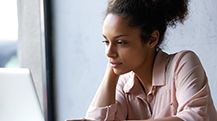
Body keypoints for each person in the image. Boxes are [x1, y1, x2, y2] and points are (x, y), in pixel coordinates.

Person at [85, 0, 217, 120]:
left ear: (152, 39)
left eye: (120, 42)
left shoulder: (182, 63)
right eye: (106, 41)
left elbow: (194, 117)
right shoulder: (124, 83)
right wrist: (111, 71)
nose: (108, 52)